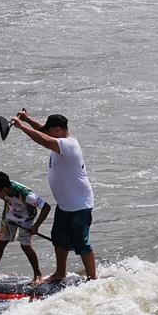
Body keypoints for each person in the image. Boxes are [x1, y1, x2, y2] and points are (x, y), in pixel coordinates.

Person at [10, 111, 97, 281]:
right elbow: (44, 132)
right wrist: (27, 119)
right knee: (59, 239)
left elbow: (45, 139)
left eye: (49, 130)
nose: (46, 132)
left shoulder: (68, 144)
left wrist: (21, 127)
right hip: (64, 205)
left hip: (79, 206)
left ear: (58, 130)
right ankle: (60, 273)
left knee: (82, 243)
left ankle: (92, 278)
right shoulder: (59, 140)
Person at [0, 171, 51, 286]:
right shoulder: (3, 185)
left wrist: (36, 226)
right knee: (1, 242)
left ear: (5, 189)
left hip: (26, 218)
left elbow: (46, 207)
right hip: (9, 215)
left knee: (25, 246)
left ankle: (37, 274)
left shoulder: (27, 195)